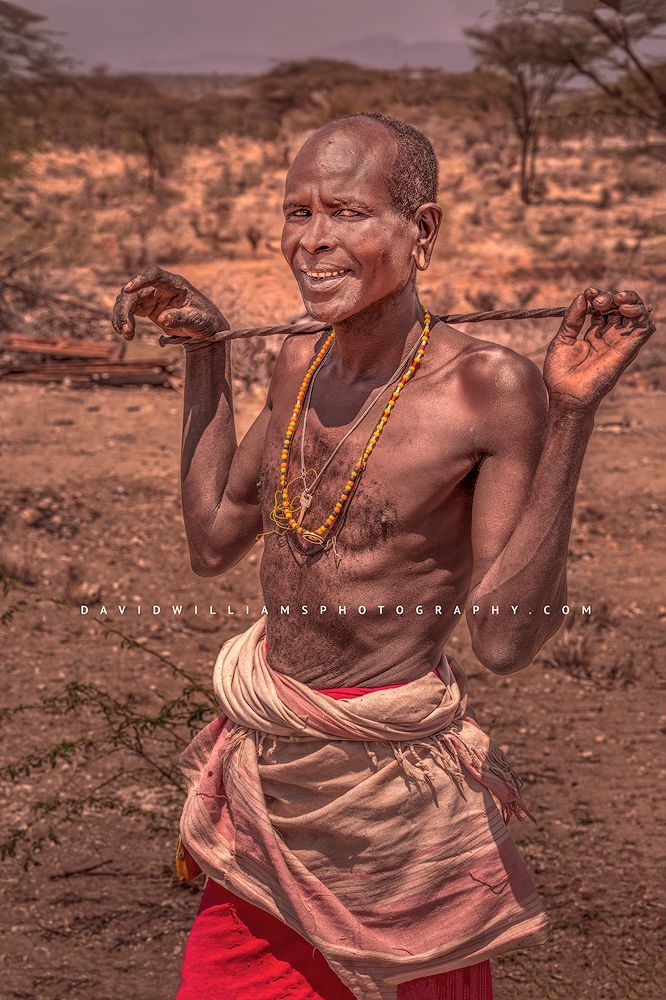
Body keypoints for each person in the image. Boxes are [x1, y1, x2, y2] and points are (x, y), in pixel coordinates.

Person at [112, 113, 655, 1000]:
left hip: (395, 785)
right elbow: (214, 536)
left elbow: (508, 641)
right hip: (275, 765)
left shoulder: (488, 388)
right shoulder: (297, 360)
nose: (313, 240)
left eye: (347, 212)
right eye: (298, 212)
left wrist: (572, 417)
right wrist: (206, 361)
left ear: (421, 230)